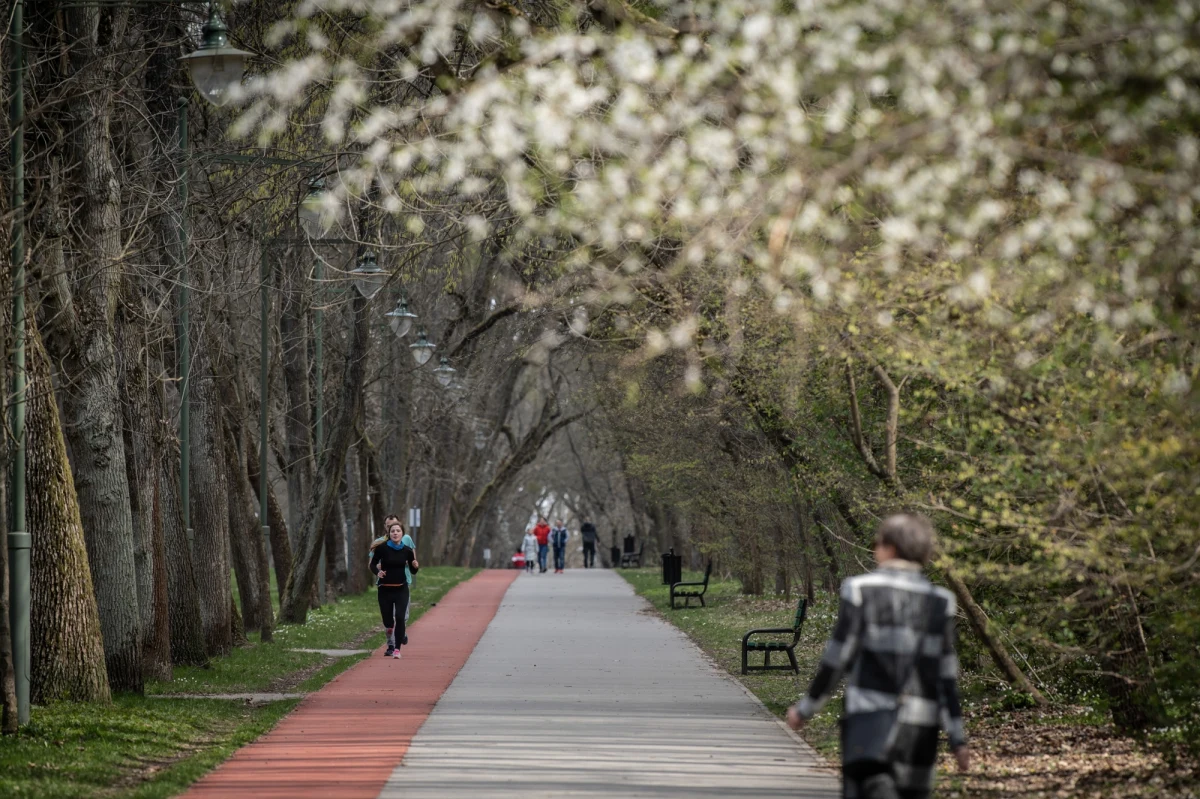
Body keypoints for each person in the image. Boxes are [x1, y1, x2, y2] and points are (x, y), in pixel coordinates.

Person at [786, 513, 970, 799]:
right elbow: (945, 676)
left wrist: (806, 708)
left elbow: (838, 658)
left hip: (868, 723)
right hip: (920, 729)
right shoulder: (941, 602)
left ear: (890, 547)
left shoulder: (860, 591)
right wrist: (957, 738)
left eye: (877, 542)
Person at [370, 522, 419, 659]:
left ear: (402, 533)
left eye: (398, 531)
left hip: (401, 589)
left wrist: (415, 566)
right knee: (388, 622)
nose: (395, 533)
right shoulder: (382, 548)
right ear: (389, 534)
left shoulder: (407, 550)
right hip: (384, 590)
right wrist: (377, 572)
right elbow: (373, 564)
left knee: (400, 618)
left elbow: (413, 571)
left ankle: (397, 649)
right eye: (393, 531)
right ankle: (390, 628)